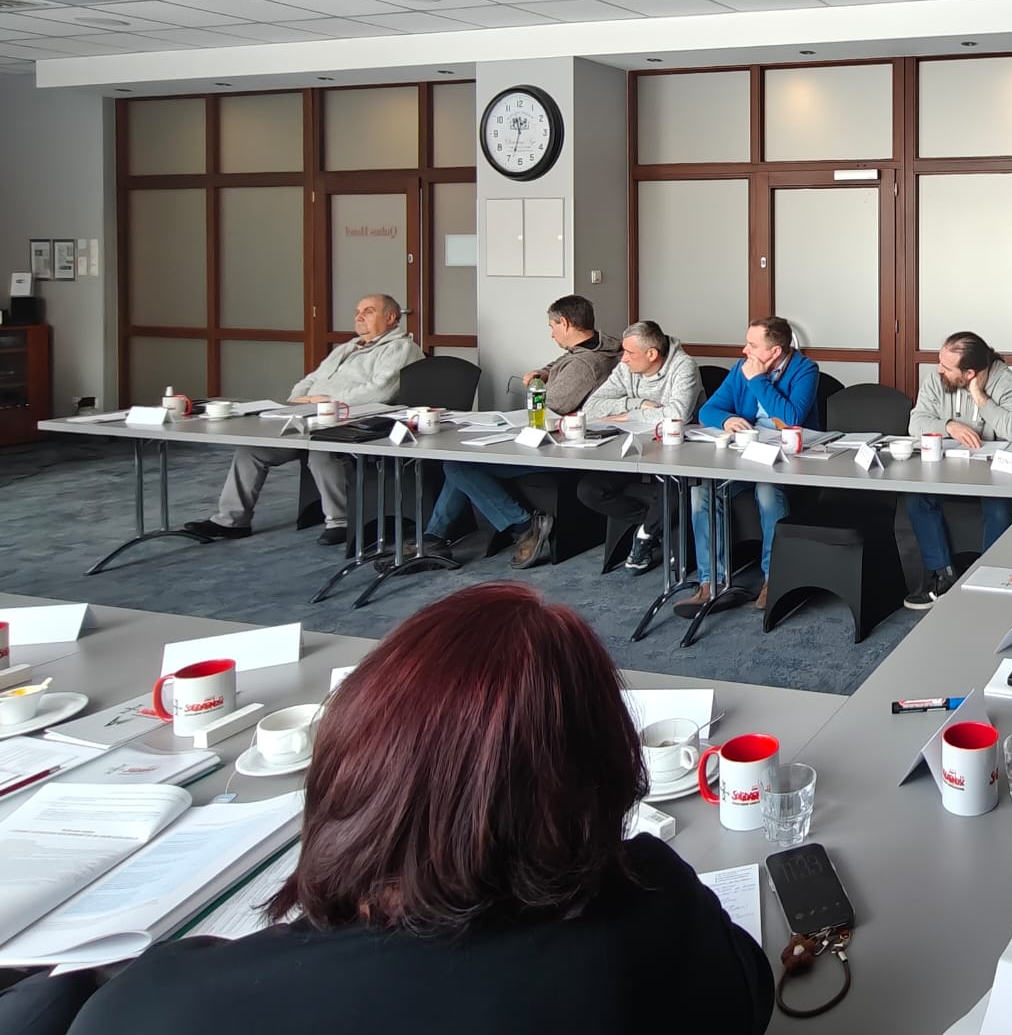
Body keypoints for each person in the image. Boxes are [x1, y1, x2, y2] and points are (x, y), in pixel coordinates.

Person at [67, 583, 773, 1035]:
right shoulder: (655, 910)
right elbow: (747, 991)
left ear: (349, 770)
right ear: (601, 775)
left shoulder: (158, 1008)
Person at [185, 294, 420, 547]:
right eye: (357, 311)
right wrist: (297, 401)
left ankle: (340, 521)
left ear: (391, 317)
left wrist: (325, 401)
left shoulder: (400, 348)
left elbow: (380, 391)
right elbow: (311, 379)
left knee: (322, 451)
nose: (359, 317)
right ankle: (231, 521)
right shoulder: (348, 347)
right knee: (252, 450)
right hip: (310, 417)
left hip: (354, 421)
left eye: (369, 311)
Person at [415, 297, 619, 567]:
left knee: (459, 466)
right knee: (459, 463)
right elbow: (564, 361)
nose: (551, 334)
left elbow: (552, 405)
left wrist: (538, 387)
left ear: (565, 323)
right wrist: (545, 372)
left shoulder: (583, 365)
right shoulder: (599, 345)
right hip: (563, 439)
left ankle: (523, 525)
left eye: (552, 326)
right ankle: (433, 539)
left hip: (559, 448)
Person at [681, 317, 820, 610]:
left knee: (767, 490)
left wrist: (758, 380)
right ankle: (712, 581)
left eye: (752, 345)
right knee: (702, 490)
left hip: (788, 460)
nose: (745, 350)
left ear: (775, 351)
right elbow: (708, 410)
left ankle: (773, 577)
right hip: (747, 457)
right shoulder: (740, 368)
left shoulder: (805, 370)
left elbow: (791, 419)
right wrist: (726, 419)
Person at [902, 332, 1012, 610]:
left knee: (1000, 506)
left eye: (946, 367)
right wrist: (949, 426)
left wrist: (979, 396)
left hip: (994, 475)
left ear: (969, 373)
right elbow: (915, 424)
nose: (939, 369)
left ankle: (989, 585)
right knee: (916, 497)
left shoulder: (1006, 381)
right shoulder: (937, 380)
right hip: (946, 470)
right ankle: (943, 576)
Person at [575, 322, 702, 574]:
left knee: (676, 491)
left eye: (630, 353)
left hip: (676, 454)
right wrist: (638, 404)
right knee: (589, 490)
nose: (623, 358)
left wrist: (626, 415)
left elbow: (677, 414)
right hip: (632, 450)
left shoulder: (684, 366)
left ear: (651, 354)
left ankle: (645, 534)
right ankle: (655, 524)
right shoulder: (626, 368)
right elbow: (592, 407)